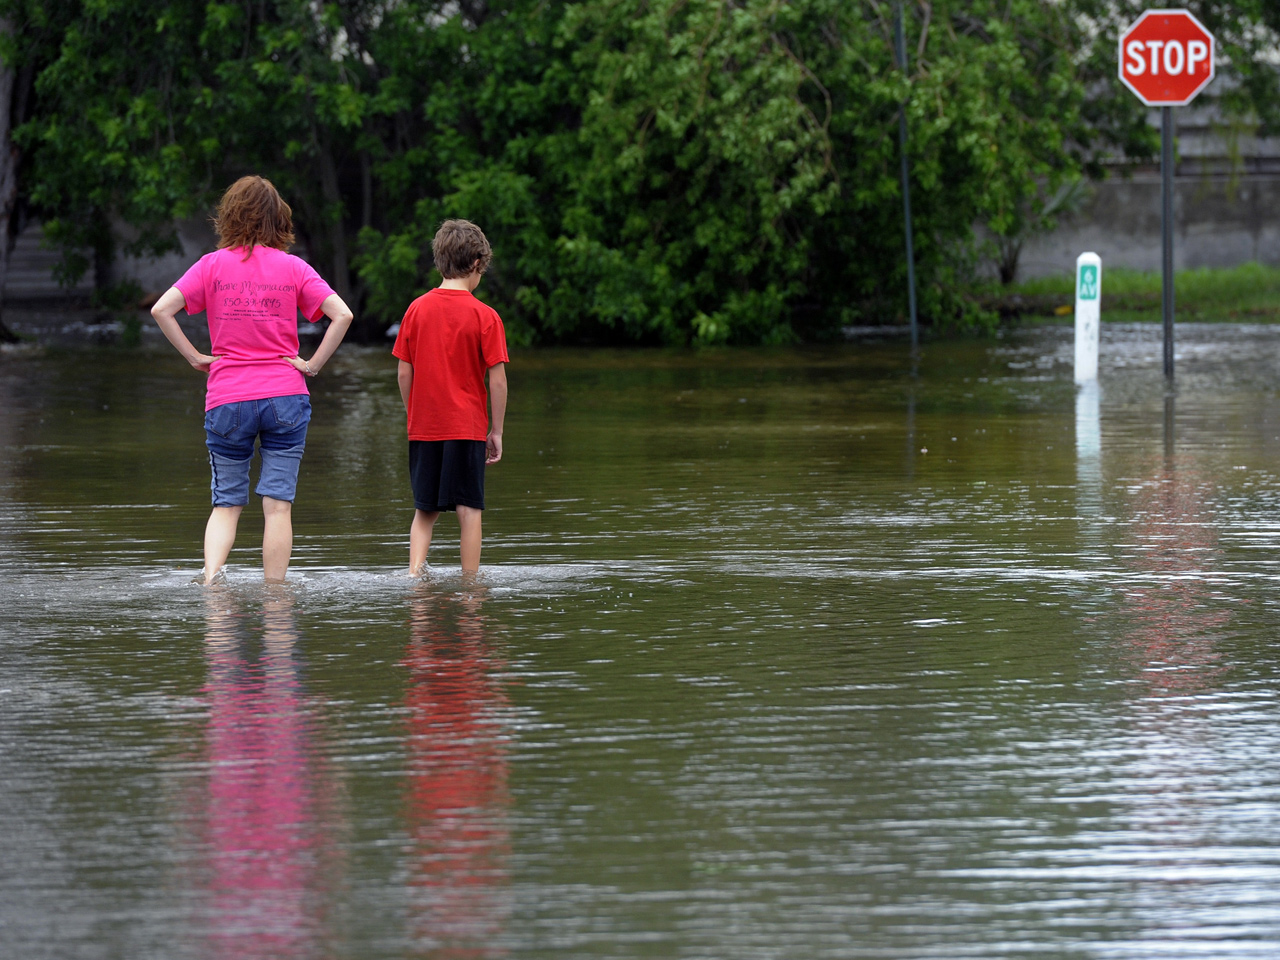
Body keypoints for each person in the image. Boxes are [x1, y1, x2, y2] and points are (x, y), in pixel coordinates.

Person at [151, 175, 353, 584]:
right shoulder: (294, 267)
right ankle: (276, 598)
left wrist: (194, 357)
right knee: (277, 507)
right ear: (278, 218)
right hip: (285, 397)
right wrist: (311, 365)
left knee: (226, 504)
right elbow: (343, 314)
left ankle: (210, 582)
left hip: (227, 397)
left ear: (230, 216)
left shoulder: (211, 265)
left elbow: (161, 310)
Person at [392, 219, 508, 575]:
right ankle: (470, 584)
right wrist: (497, 431)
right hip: (467, 426)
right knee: (469, 508)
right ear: (476, 264)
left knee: (424, 509)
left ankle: (414, 574)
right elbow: (498, 380)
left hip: (424, 426)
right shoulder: (485, 316)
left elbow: (403, 371)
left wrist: (414, 412)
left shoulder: (416, 309)